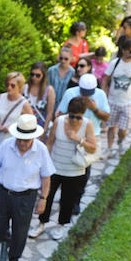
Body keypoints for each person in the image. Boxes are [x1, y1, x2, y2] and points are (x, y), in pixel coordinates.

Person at [0, 114, 54, 261]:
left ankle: (13, 259)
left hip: (25, 197)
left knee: (20, 231)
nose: (22, 143)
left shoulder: (41, 150)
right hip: (2, 192)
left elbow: (46, 176)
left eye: (26, 140)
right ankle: (5, 245)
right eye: (19, 139)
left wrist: (43, 199)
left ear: (33, 137)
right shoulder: (7, 144)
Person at [29, 98, 97, 241]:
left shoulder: (87, 125)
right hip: (55, 168)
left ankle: (61, 226)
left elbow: (93, 147)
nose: (74, 120)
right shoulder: (59, 122)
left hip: (74, 171)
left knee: (67, 200)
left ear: (83, 114)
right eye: (71, 116)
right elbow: (50, 143)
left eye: (78, 117)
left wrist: (78, 139)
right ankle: (41, 224)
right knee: (47, 196)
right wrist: (44, 163)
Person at [52, 73, 110, 217]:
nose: (86, 95)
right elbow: (60, 114)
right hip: (71, 135)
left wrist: (95, 109)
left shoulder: (100, 95)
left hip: (91, 135)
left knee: (84, 171)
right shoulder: (70, 93)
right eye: (84, 92)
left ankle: (75, 201)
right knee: (62, 170)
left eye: (89, 93)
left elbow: (106, 117)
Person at [103, 38, 131, 156]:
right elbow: (106, 79)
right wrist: (103, 94)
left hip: (128, 102)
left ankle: (120, 140)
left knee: (123, 129)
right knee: (111, 126)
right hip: (112, 100)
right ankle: (110, 148)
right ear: (124, 51)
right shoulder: (115, 63)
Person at [0, 72, 33, 147]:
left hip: (15, 142)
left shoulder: (24, 104)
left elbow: (31, 125)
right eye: (7, 84)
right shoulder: (0, 97)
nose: (9, 87)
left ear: (19, 86)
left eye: (13, 85)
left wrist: (13, 127)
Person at [24, 62, 56, 139]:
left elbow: (49, 113)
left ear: (43, 76)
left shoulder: (49, 90)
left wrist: (44, 130)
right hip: (26, 125)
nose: (34, 77)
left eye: (38, 75)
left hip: (40, 126)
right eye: (32, 74)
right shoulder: (25, 88)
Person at [47, 47, 75, 113]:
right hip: (50, 103)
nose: (63, 61)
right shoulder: (51, 70)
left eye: (66, 59)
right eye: (61, 58)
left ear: (71, 58)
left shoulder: (73, 73)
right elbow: (47, 87)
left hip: (65, 106)